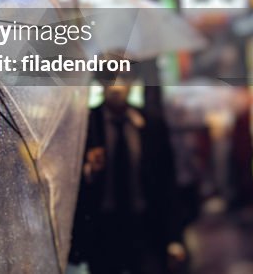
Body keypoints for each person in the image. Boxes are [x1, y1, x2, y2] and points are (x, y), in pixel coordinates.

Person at [70, 73, 186, 274]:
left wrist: (174, 237)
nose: (117, 86)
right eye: (109, 78)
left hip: (145, 226)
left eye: (124, 77)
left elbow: (167, 183)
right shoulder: (86, 125)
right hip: (103, 229)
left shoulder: (150, 124)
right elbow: (72, 186)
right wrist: (88, 170)